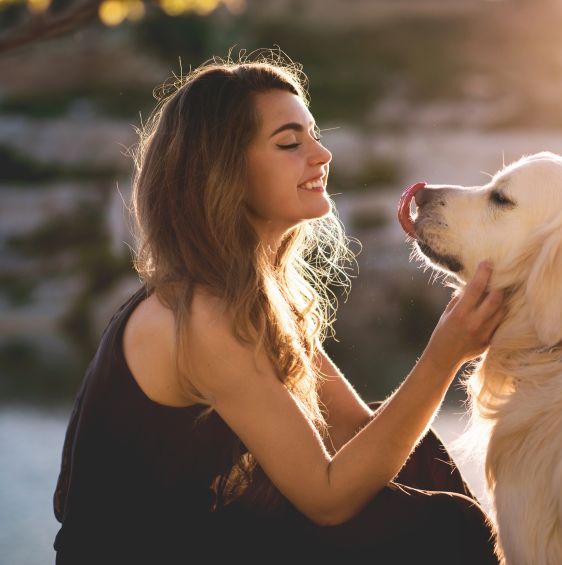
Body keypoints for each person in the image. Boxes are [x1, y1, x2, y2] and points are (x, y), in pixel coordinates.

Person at [53, 54, 505, 564]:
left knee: (419, 455)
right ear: (224, 173)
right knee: (447, 526)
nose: (322, 154)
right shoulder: (200, 314)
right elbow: (329, 499)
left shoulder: (250, 295)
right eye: (291, 143)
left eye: (314, 134)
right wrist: (444, 357)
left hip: (214, 542)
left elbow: (354, 430)